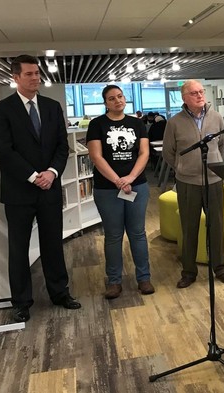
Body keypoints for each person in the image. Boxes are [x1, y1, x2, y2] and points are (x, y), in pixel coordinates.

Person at [0, 54, 81, 323]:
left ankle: (59, 292)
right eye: (29, 74)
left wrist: (52, 173)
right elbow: (3, 151)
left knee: (53, 242)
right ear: (15, 77)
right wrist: (33, 176)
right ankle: (21, 302)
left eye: (37, 73)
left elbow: (62, 146)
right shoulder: (3, 110)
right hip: (19, 190)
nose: (35, 78)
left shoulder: (53, 107)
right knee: (18, 247)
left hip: (50, 188)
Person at [162, 79, 224, 289]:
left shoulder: (217, 118)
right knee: (189, 226)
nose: (200, 95)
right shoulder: (174, 122)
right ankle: (188, 272)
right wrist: (182, 167)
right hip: (187, 182)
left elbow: (221, 146)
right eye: (194, 93)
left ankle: (220, 268)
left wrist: (214, 166)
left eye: (201, 92)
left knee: (217, 225)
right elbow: (169, 152)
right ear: (184, 98)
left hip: (214, 180)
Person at [86, 85, 155, 299]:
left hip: (137, 185)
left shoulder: (136, 123)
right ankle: (114, 281)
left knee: (138, 233)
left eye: (120, 96)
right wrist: (118, 180)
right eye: (111, 98)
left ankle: (144, 278)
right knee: (113, 236)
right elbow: (96, 157)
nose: (117, 101)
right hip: (107, 188)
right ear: (105, 103)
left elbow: (144, 153)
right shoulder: (97, 124)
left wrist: (131, 178)